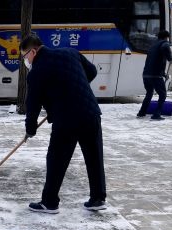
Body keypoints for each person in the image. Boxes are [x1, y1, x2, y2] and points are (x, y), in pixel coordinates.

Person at [21, 34, 107, 214]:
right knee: (94, 157)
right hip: (90, 112)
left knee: (56, 159)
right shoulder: (70, 52)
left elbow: (33, 104)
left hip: (67, 119)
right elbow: (91, 71)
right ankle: (98, 198)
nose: (25, 61)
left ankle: (49, 202)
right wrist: (74, 86)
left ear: (34, 51)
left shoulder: (37, 71)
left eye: (25, 56)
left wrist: (30, 130)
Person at [137, 30, 172, 120]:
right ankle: (156, 114)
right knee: (163, 94)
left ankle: (141, 112)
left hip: (146, 75)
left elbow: (155, 62)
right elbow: (165, 47)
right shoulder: (164, 43)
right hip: (155, 76)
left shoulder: (152, 45)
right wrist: (170, 58)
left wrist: (163, 74)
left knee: (149, 93)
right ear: (166, 37)